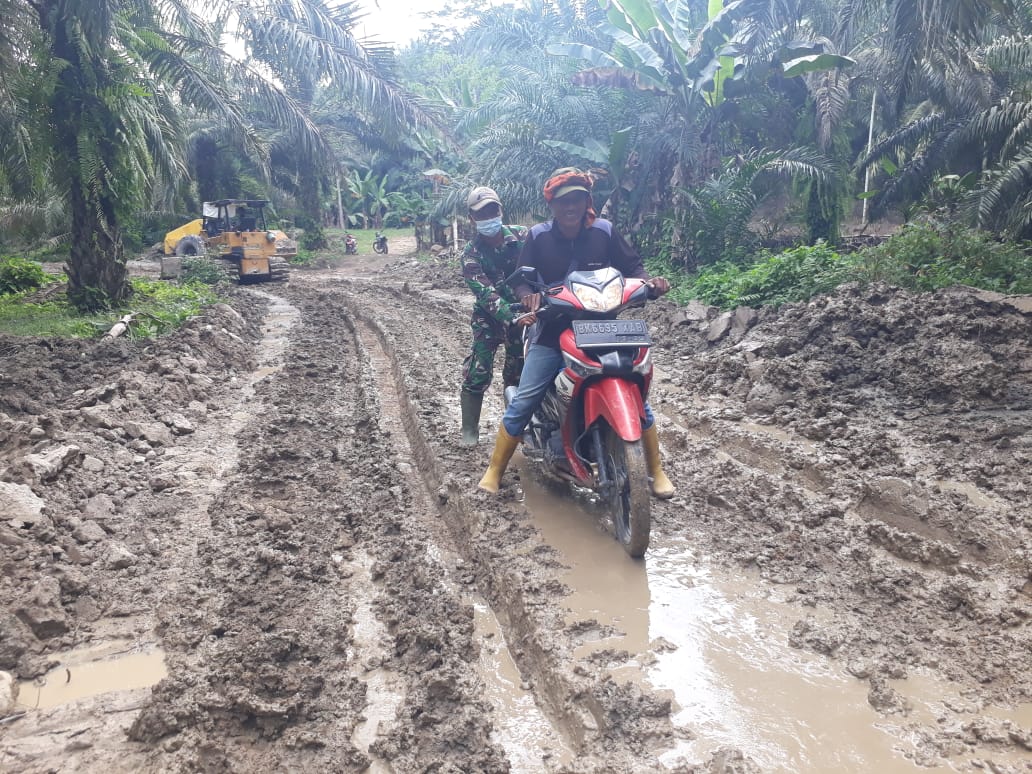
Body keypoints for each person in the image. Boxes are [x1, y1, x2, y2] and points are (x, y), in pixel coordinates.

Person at [477, 168, 674, 498]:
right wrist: (529, 294)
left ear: (587, 201)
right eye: (564, 200)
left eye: (578, 199)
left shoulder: (604, 232)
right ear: (552, 204)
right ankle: (494, 470)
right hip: (553, 330)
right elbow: (521, 278)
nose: (571, 206)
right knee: (526, 399)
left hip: (604, 327)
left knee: (639, 396)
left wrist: (649, 283)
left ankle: (655, 470)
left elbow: (634, 269)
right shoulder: (538, 237)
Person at [459, 186, 529, 446]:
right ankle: (469, 431)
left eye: (493, 210)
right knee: (478, 370)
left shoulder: (523, 237)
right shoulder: (471, 254)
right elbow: (484, 292)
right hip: (489, 317)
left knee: (518, 374)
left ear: (501, 210)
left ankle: (515, 427)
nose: (489, 216)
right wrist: (509, 314)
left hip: (525, 316)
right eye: (482, 213)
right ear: (472, 218)